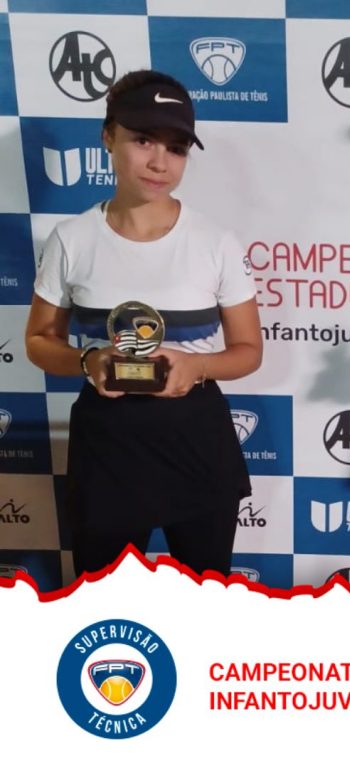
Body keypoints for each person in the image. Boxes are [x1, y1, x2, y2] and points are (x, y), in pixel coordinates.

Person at [26, 70, 262, 578]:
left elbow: (248, 351)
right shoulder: (71, 239)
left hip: (197, 442)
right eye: (143, 140)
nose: (160, 162)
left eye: (176, 148)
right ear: (108, 137)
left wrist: (197, 367)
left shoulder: (216, 242)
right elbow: (39, 341)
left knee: (207, 599)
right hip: (106, 447)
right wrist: (89, 360)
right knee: (102, 602)